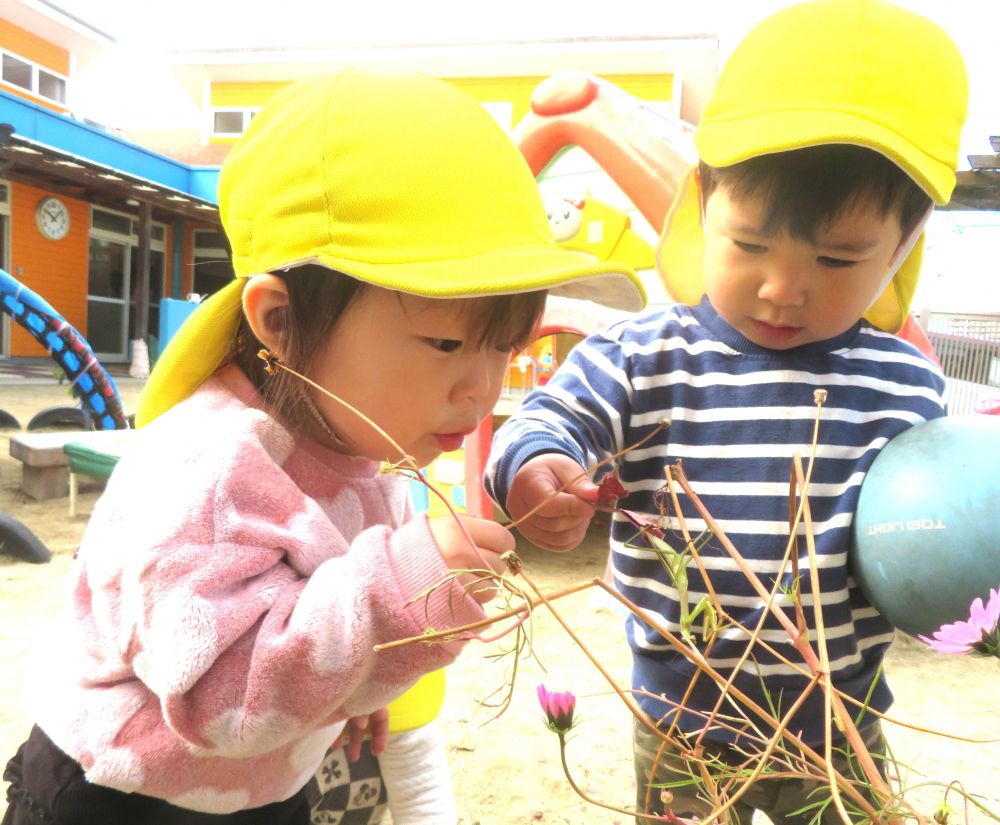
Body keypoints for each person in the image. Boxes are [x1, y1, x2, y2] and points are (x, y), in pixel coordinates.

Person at [0, 69, 645, 825]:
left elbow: (306, 644)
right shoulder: (201, 471)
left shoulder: (360, 441)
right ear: (278, 322)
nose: (480, 390)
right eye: (444, 342)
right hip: (123, 796)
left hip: (262, 783)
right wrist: (397, 595)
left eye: (502, 348)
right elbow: (221, 699)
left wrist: (344, 689)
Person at [484, 1, 968, 822]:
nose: (783, 287)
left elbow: (932, 528)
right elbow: (550, 419)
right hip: (684, 725)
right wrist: (537, 471)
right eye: (747, 245)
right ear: (702, 200)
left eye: (836, 258)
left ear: (903, 243)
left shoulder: (907, 383)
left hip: (837, 728)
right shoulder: (643, 355)